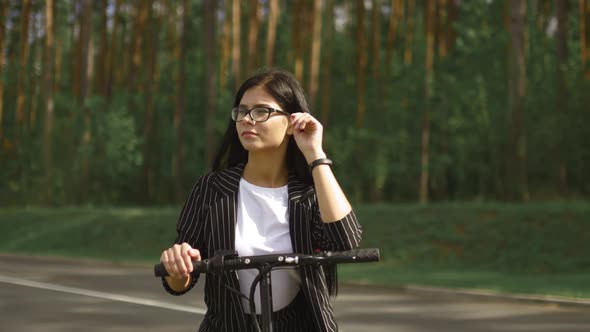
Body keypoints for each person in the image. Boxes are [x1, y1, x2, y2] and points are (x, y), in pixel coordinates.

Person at [159, 68, 362, 332]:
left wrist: (315, 153)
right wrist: (178, 269)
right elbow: (178, 283)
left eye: (261, 111)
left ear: (292, 122)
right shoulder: (212, 188)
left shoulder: (311, 194)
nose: (247, 120)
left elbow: (344, 241)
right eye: (242, 111)